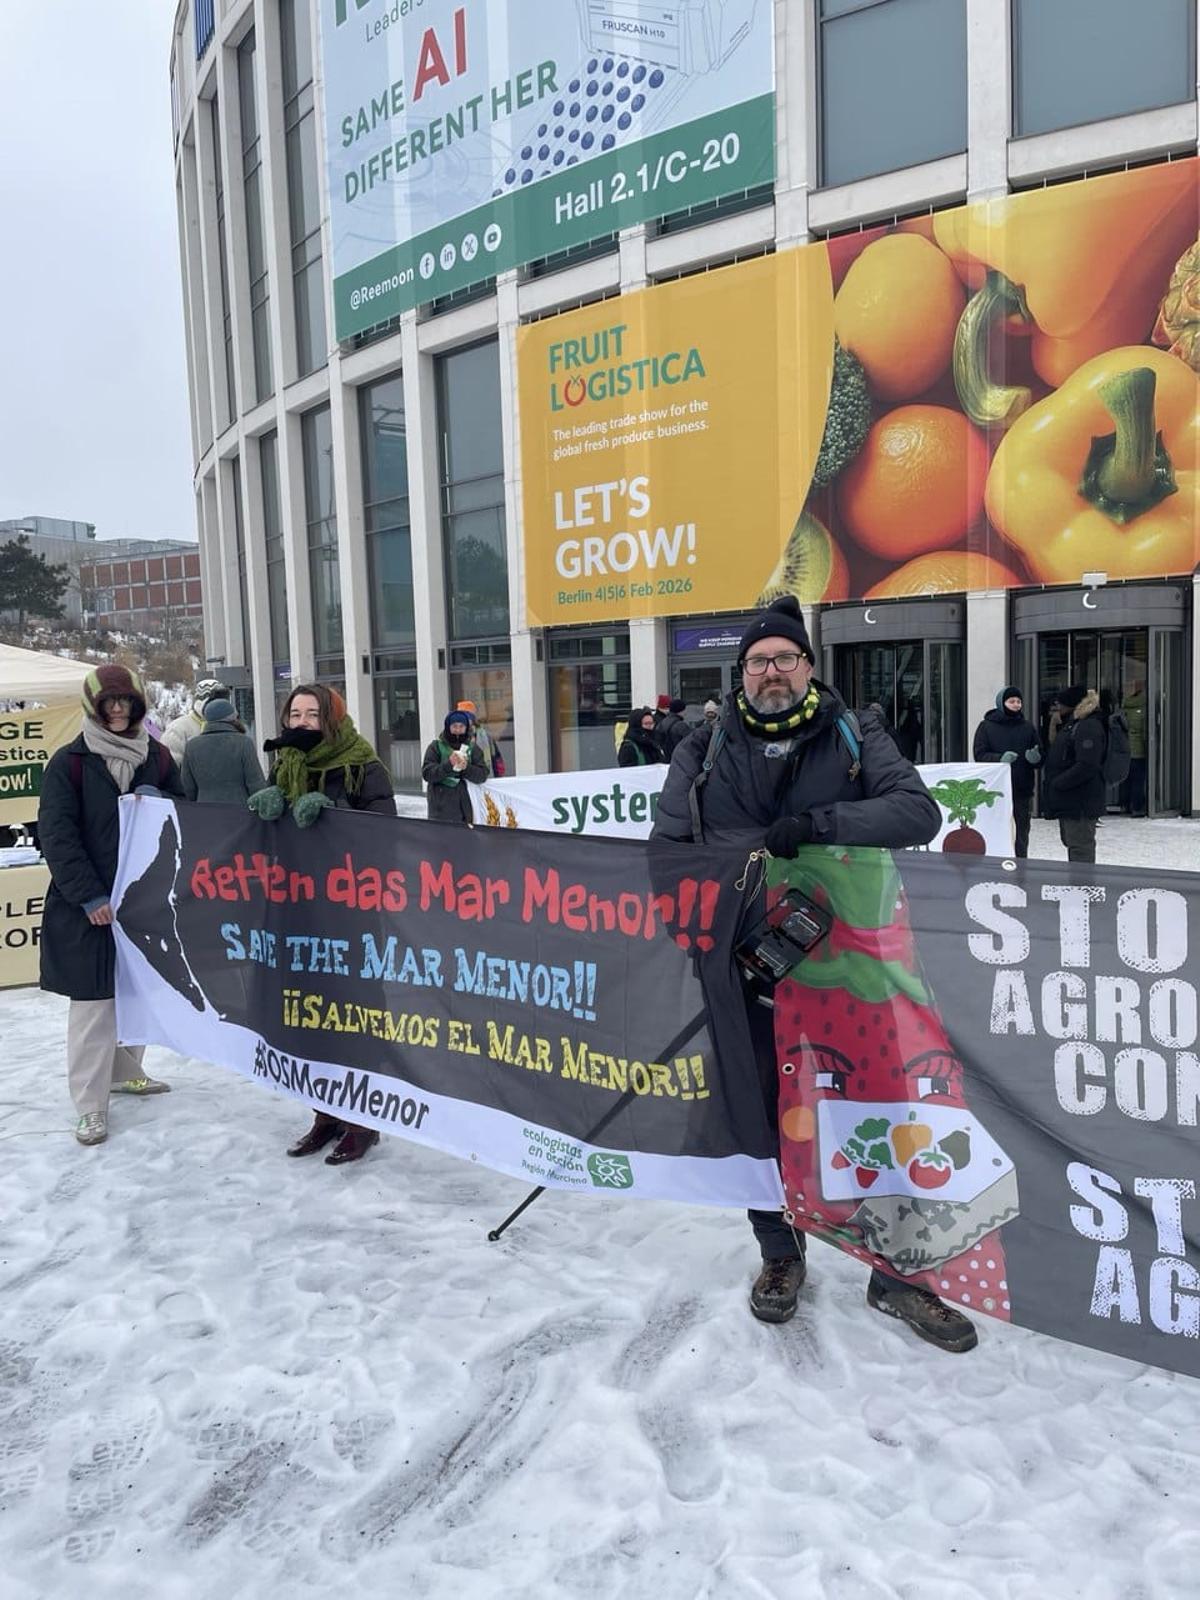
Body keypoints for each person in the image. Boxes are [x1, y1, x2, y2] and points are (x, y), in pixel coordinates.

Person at [652, 595, 976, 1354]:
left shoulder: (855, 732)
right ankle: (780, 1256)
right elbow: (666, 849)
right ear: (741, 672)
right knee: (759, 1113)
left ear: (807, 666)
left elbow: (917, 812)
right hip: (746, 967)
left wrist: (827, 825)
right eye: (759, 660)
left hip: (851, 968)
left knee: (880, 1114)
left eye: (785, 658)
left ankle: (896, 1271)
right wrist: (700, 938)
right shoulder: (701, 748)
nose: (772, 672)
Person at [38, 665, 185, 1146]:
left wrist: (160, 797)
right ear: (94, 708)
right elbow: (57, 837)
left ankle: (127, 1072)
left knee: (137, 994)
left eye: (126, 702)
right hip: (89, 907)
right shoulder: (70, 763)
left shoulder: (158, 758)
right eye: (109, 703)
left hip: (142, 901)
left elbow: (186, 814)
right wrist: (88, 895)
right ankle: (89, 1105)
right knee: (95, 1008)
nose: (118, 710)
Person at [252, 683, 395, 1164]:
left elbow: (385, 830)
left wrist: (337, 816)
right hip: (299, 908)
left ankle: (362, 1120)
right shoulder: (285, 764)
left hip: (350, 913)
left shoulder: (361, 764)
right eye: (295, 714)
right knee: (308, 1012)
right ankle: (324, 1114)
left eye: (313, 714)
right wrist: (265, 814)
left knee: (351, 1014)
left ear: (332, 719)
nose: (303, 722)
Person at [972, 686, 1042, 858]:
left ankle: (1020, 865)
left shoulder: (1028, 728)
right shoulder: (986, 727)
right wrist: (999, 758)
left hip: (1021, 789)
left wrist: (1036, 758)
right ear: (1001, 704)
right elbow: (979, 754)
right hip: (996, 791)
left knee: (1021, 832)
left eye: (1019, 701)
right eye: (1012, 701)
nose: (1016, 705)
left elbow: (1040, 753)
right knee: (997, 830)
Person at [1041, 685, 1106, 864]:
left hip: (1081, 801)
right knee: (1074, 844)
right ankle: (1078, 885)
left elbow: (1087, 764)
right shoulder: (1075, 723)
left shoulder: (1088, 725)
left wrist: (1058, 783)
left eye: (1060, 704)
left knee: (1080, 848)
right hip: (1072, 800)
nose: (1057, 708)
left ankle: (1082, 887)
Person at [180, 698, 267, 807]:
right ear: (233, 718)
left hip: (204, 814)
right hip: (240, 814)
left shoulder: (191, 746)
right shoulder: (243, 743)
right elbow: (256, 785)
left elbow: (187, 789)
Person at [422, 710, 488, 824]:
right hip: (441, 808)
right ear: (448, 727)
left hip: (467, 808)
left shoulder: (473, 749)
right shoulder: (435, 747)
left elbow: (482, 775)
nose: (458, 730)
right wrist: (449, 765)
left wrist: (466, 768)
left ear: (466, 727)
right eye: (454, 726)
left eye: (461, 726)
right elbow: (427, 774)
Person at [162, 678, 228, 765]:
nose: (219, 707)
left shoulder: (230, 727)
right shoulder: (178, 729)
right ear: (201, 703)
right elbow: (170, 767)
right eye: (213, 703)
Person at [456, 699, 505, 777]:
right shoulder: (450, 737)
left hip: (483, 780)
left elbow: (496, 760)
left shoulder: (485, 737)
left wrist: (497, 779)